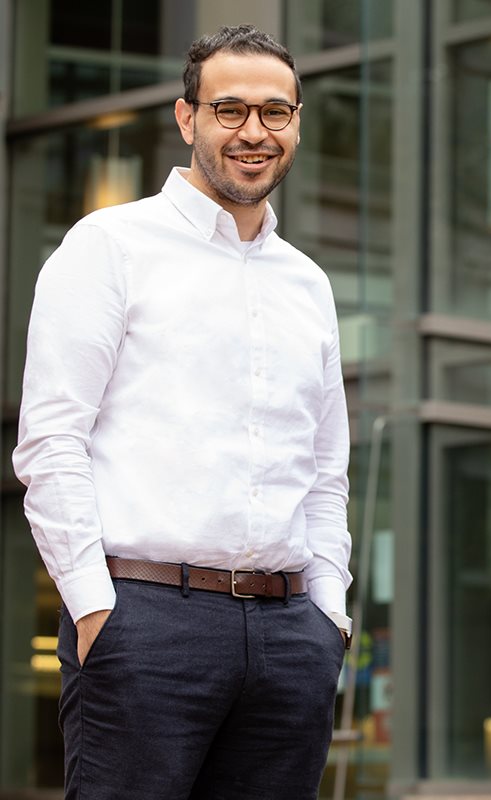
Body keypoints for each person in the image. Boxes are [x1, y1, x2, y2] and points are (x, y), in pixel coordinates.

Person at [13, 25, 352, 799]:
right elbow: (51, 441)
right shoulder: (109, 246)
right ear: (186, 117)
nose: (253, 132)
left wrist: (328, 616)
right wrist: (96, 608)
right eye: (229, 109)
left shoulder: (308, 284)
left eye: (275, 112)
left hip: (290, 631)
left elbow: (326, 469)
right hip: (145, 620)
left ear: (297, 124)